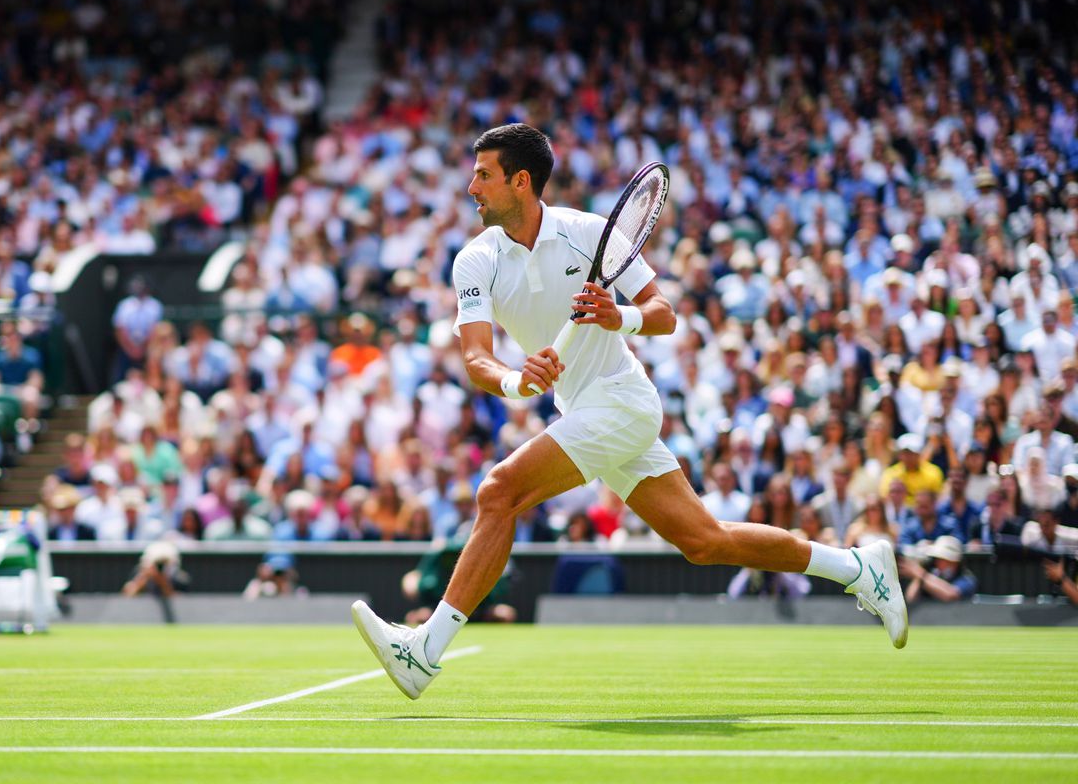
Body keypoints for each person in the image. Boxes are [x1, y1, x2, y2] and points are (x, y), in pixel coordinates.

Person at [352, 125, 907, 701]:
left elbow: (663, 314)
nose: (472, 187)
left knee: (498, 492)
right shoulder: (474, 260)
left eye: (484, 175)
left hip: (623, 400)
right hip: (583, 410)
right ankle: (856, 567)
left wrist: (621, 318)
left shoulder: (590, 233)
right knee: (704, 540)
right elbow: (475, 358)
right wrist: (517, 382)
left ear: (521, 182)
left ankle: (425, 651)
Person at [897, 535, 978, 604]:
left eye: (944, 559)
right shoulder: (931, 575)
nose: (939, 562)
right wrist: (919, 577)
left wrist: (921, 574)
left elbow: (951, 595)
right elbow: (911, 599)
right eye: (938, 559)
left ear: (955, 562)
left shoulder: (967, 579)